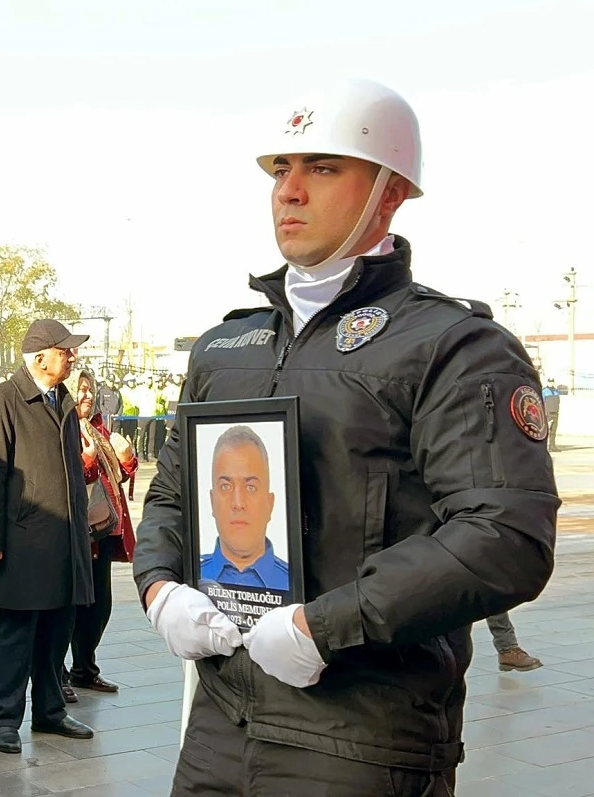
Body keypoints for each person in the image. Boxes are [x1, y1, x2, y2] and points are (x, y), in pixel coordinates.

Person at [133, 78, 557, 795]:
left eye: (323, 167)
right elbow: (174, 492)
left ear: (389, 192)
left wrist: (326, 626)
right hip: (222, 721)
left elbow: (505, 533)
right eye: (280, 170)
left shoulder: (454, 344)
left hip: (362, 735)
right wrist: (159, 588)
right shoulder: (227, 346)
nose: (288, 191)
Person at [0, 319, 97, 755]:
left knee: (56, 630)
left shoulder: (61, 400)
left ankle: (50, 711)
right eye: (66, 351)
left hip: (64, 539)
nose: (72, 356)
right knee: (18, 632)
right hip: (24, 537)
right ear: (40, 356)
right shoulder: (3, 400)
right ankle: (4, 719)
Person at [66, 369, 138, 695]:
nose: (86, 396)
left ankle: (84, 668)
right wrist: (86, 459)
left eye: (90, 390)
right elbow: (67, 476)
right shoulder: (64, 427)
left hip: (105, 529)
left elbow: (116, 477)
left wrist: (127, 459)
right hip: (79, 531)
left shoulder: (95, 428)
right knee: (73, 607)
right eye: (80, 389)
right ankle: (60, 673)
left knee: (100, 605)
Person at [198, 425, 290, 592]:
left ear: (270, 504)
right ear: (212, 502)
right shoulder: (188, 583)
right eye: (226, 487)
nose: (238, 503)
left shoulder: (296, 583)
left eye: (250, 488)